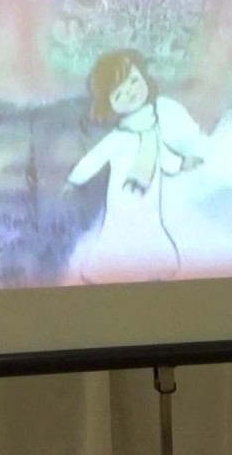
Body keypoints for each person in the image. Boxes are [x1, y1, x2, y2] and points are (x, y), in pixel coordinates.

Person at [63, 49, 208, 283]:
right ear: (108, 103)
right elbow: (94, 159)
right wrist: (75, 179)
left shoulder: (153, 129)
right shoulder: (119, 138)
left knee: (149, 228)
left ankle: (151, 270)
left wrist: (182, 164)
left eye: (133, 81)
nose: (130, 92)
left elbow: (163, 156)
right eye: (119, 92)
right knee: (120, 233)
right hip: (123, 202)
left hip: (149, 202)